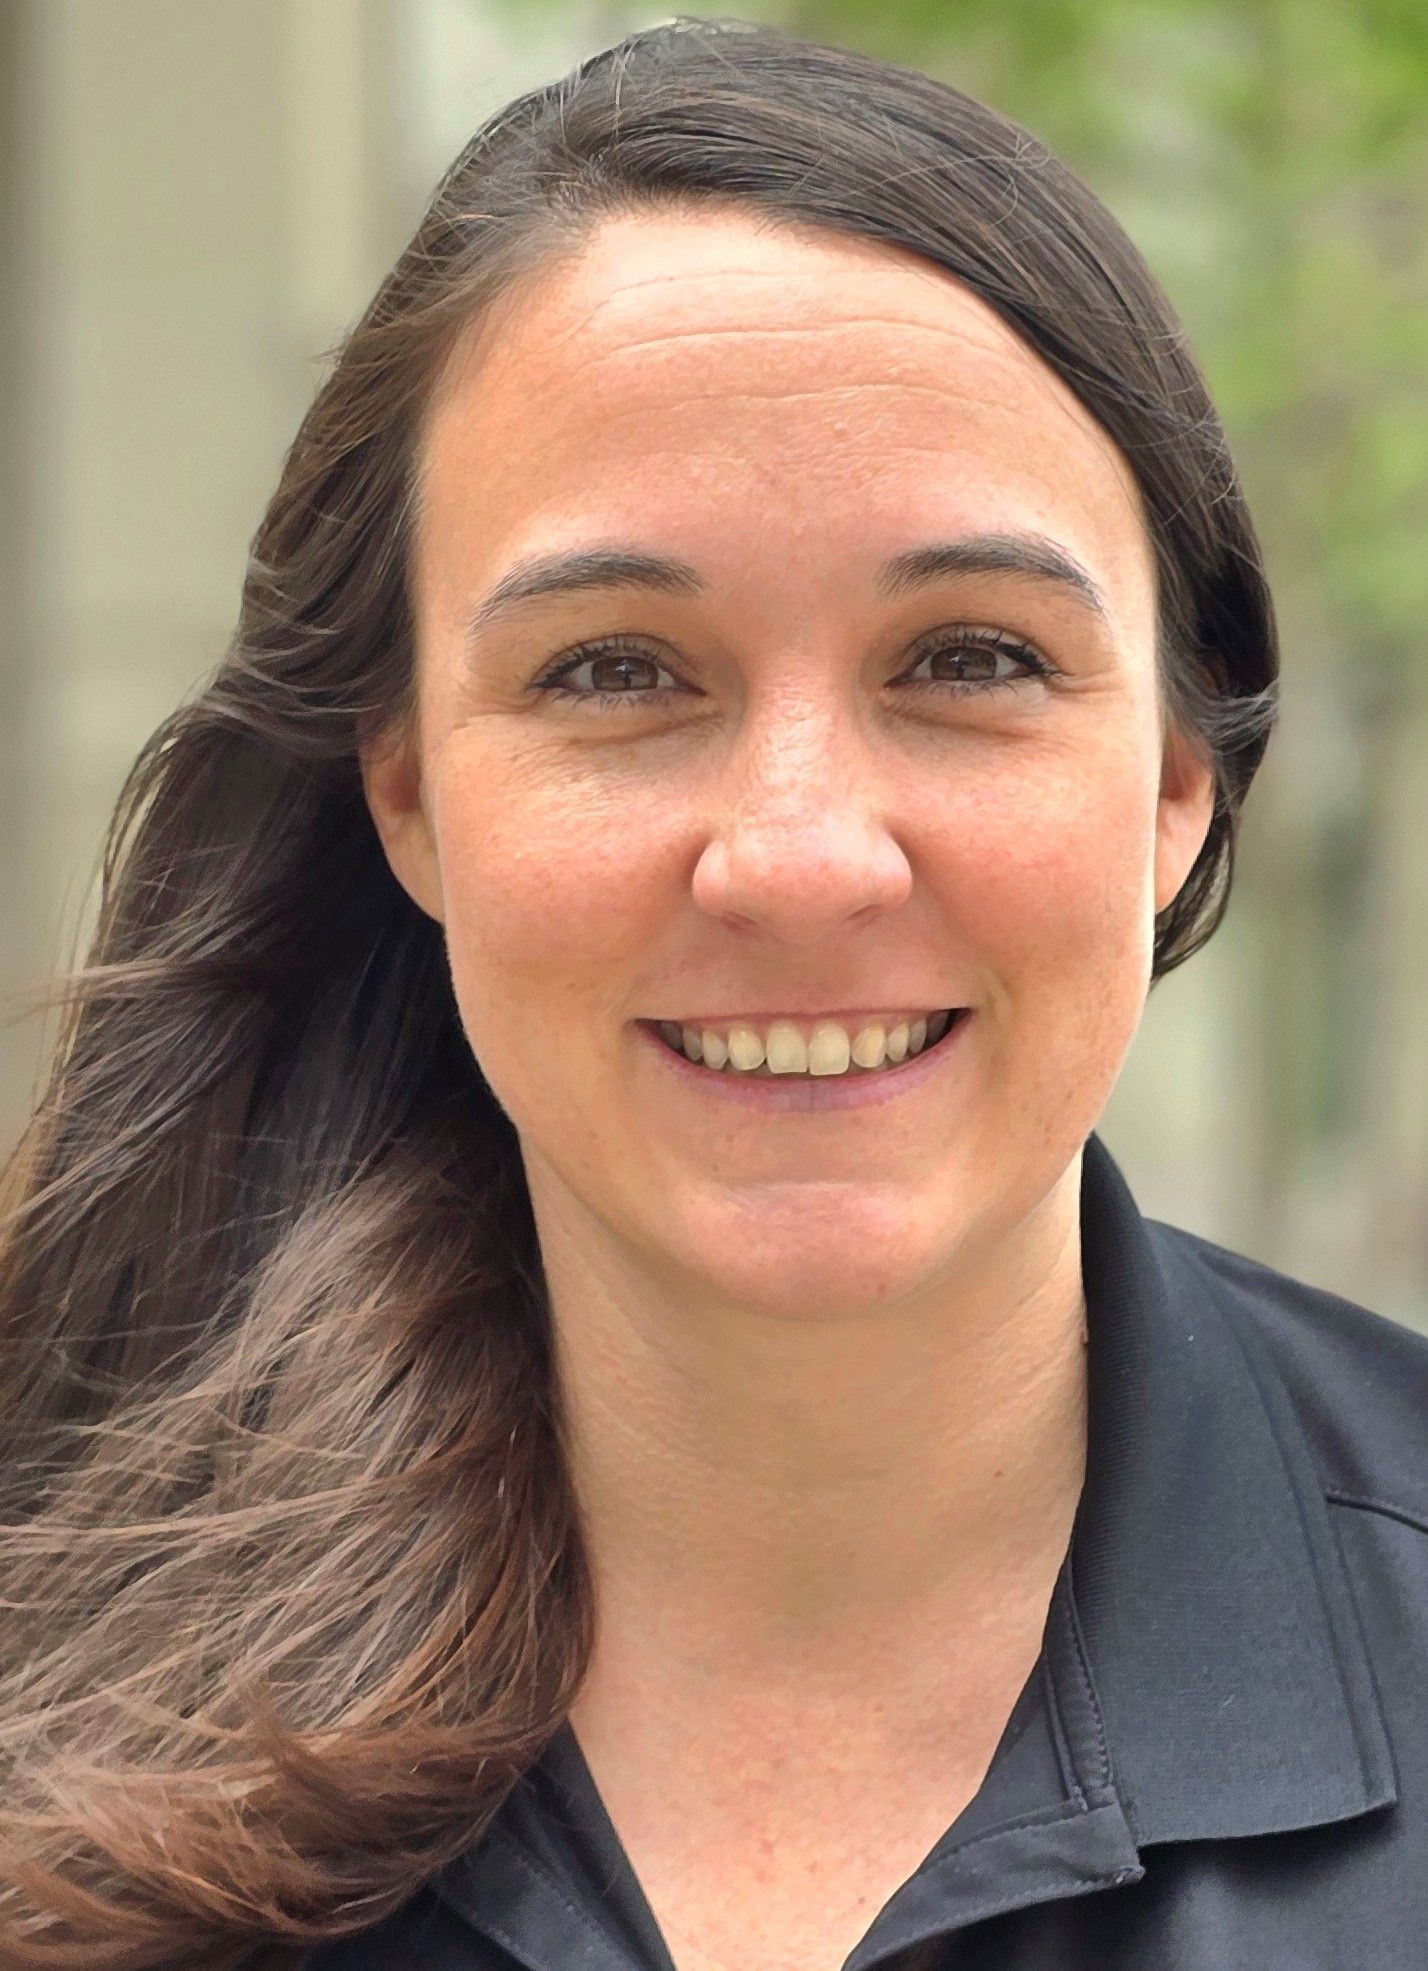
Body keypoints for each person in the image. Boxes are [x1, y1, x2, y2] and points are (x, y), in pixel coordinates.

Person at [0, 15, 1423, 1970]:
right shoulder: (42, 1710)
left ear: (1178, 781)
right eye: (613, 671)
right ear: (406, 791)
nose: (801, 853)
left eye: (974, 656)